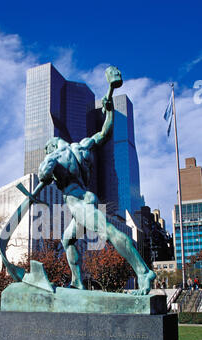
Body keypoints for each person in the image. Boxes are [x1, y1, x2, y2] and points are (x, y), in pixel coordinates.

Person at [38, 66, 155, 295]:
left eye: (46, 149)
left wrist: (48, 170)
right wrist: (108, 111)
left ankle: (143, 271)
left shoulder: (53, 156)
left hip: (78, 202)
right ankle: (77, 282)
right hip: (85, 198)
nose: (46, 151)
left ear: (51, 145)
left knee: (109, 231)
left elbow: (43, 174)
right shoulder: (81, 146)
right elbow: (104, 133)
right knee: (68, 240)